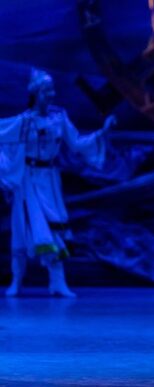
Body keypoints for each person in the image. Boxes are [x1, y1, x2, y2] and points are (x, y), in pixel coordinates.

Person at [0, 68, 115, 298]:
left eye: (52, 90)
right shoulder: (24, 122)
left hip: (50, 182)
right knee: (25, 228)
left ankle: (57, 282)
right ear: (35, 93)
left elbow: (77, 143)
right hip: (28, 182)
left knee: (54, 227)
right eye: (46, 91)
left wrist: (102, 132)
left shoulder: (59, 118)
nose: (51, 94)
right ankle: (16, 282)